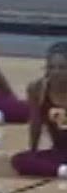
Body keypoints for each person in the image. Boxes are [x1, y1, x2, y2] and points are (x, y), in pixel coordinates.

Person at [11, 43, 67, 176]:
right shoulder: (37, 88)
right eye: (51, 67)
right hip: (60, 151)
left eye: (62, 68)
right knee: (19, 160)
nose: (56, 72)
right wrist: (33, 152)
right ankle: (62, 171)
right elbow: (35, 122)